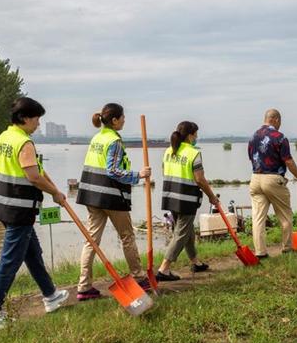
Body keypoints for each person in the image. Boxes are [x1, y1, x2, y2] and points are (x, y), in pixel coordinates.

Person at [0, 97, 69, 330]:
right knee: (10, 260)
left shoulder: (4, 137)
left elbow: (36, 170)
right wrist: (56, 194)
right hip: (19, 207)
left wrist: (53, 187)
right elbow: (33, 177)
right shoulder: (24, 142)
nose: (38, 124)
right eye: (37, 118)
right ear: (24, 118)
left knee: (32, 253)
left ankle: (51, 295)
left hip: (2, 204)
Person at [75, 103, 152, 300]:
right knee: (127, 236)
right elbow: (113, 171)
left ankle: (83, 287)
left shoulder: (97, 138)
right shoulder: (114, 141)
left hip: (91, 196)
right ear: (115, 120)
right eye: (123, 117)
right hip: (111, 197)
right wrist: (139, 175)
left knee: (91, 241)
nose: (125, 120)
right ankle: (139, 278)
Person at [156, 121, 218, 281]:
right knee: (181, 233)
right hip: (186, 199)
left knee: (187, 231)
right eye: (196, 134)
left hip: (170, 197)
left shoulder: (168, 151)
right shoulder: (193, 153)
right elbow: (200, 179)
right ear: (190, 135)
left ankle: (195, 262)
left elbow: (164, 171)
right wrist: (211, 195)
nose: (197, 137)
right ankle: (164, 269)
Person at [248, 109, 297, 258]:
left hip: (255, 178)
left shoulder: (253, 136)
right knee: (285, 215)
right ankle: (287, 248)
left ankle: (260, 252)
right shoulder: (279, 137)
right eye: (280, 122)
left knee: (258, 218)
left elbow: (251, 157)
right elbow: (288, 160)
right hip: (273, 179)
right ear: (275, 120)